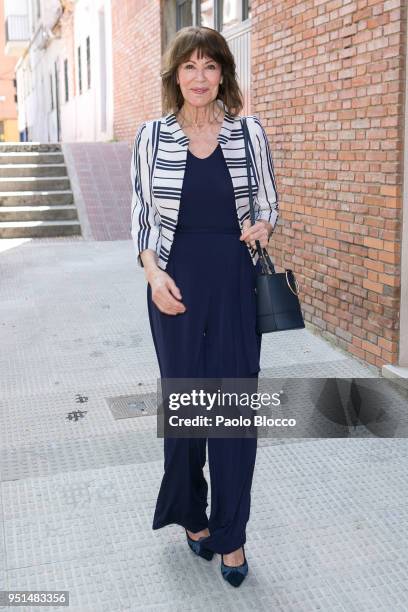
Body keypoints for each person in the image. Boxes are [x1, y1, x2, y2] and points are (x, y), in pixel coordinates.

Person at [130, 25, 279, 588]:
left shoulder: (249, 133)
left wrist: (262, 223)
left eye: (210, 66)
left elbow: (268, 201)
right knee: (189, 409)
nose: (199, 77)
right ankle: (193, 515)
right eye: (189, 67)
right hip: (174, 285)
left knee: (234, 412)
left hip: (235, 281)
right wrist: (151, 273)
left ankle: (231, 536)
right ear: (175, 76)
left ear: (224, 74)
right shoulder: (151, 137)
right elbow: (143, 216)